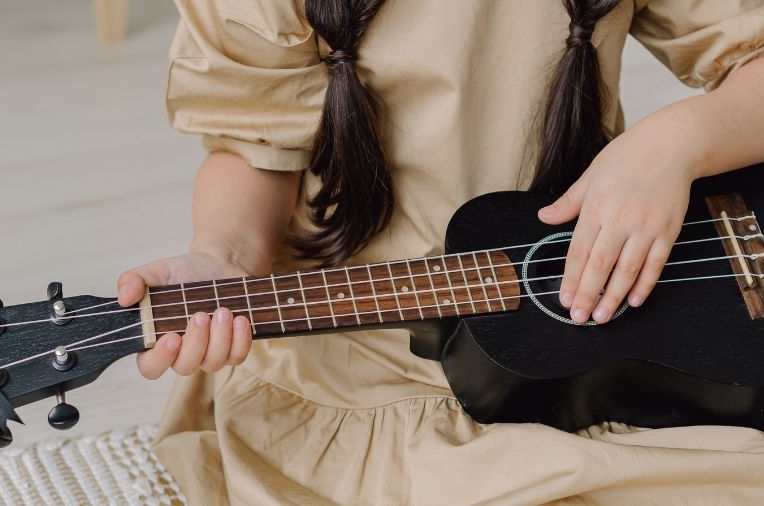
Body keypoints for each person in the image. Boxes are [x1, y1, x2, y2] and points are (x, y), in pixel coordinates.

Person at [116, 0, 764, 503]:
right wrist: (223, 255)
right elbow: (253, 146)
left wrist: (674, 144)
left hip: (598, 302)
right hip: (358, 342)